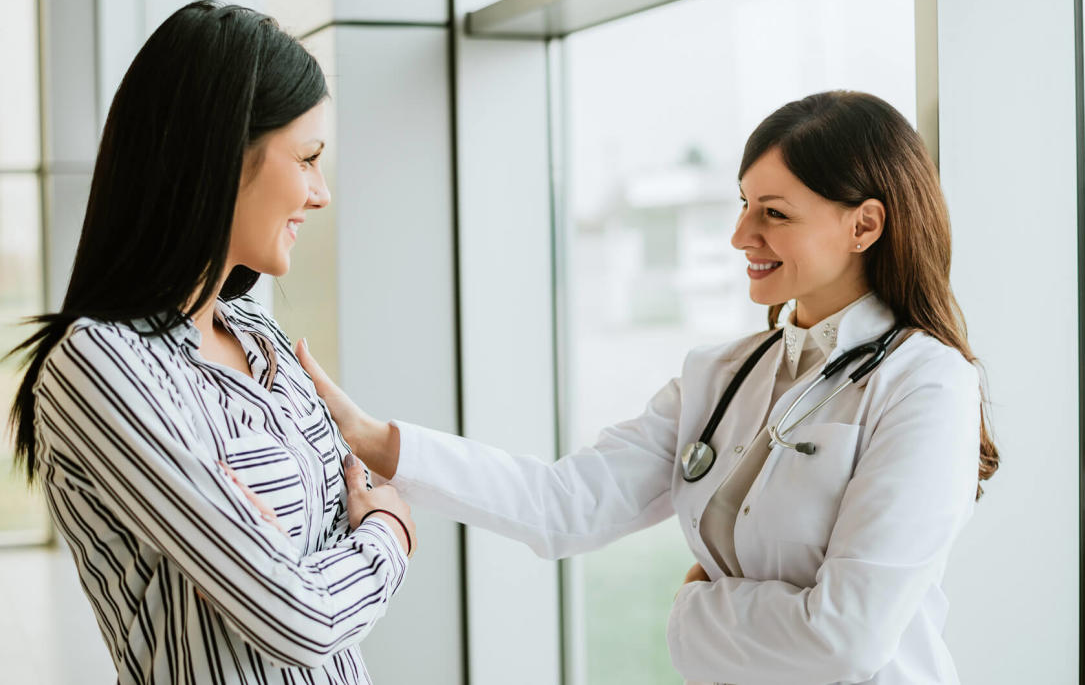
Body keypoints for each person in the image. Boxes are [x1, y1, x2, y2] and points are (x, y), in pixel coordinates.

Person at [293, 91, 1000, 684]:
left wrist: (696, 615)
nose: (739, 235)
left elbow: (847, 641)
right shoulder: (719, 374)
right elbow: (561, 505)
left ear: (865, 224)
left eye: (773, 213)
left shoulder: (926, 382)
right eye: (744, 204)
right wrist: (373, 438)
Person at [7, 1, 415, 684]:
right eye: (308, 159)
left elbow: (348, 500)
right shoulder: (98, 365)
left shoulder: (259, 335)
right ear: (223, 158)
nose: (321, 193)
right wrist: (391, 536)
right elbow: (298, 617)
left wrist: (276, 558)